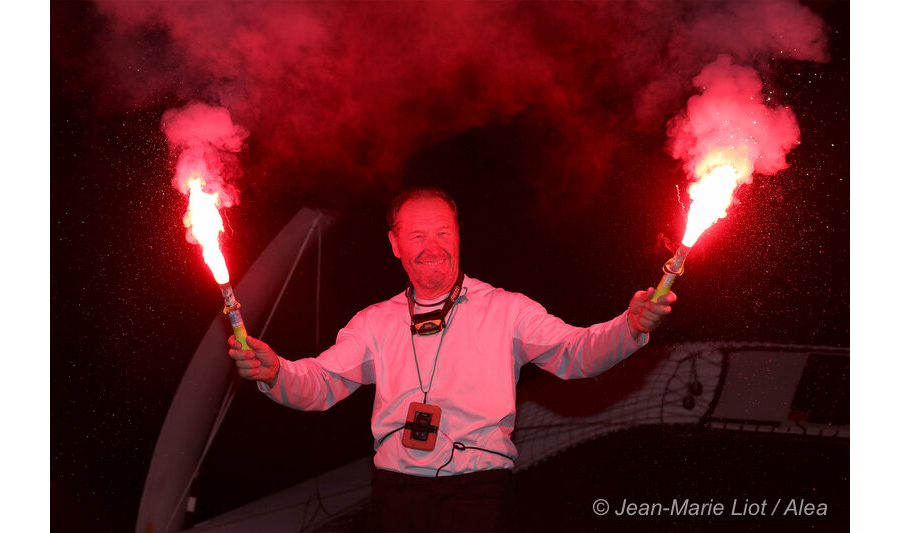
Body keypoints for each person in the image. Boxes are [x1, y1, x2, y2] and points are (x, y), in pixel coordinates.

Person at [228, 187, 676, 531]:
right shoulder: (374, 322)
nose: (433, 246)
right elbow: (321, 382)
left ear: (459, 236)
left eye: (443, 232)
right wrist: (277, 372)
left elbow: (576, 352)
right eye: (417, 235)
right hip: (395, 498)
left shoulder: (507, 309)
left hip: (479, 497)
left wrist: (630, 325)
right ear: (395, 244)